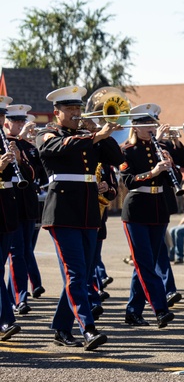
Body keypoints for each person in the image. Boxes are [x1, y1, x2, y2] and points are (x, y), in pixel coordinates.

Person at [36, 85, 125, 350]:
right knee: (75, 272)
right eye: (71, 109)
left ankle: (61, 327)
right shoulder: (47, 133)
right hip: (62, 210)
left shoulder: (89, 135)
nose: (76, 113)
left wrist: (103, 132)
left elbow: (117, 157)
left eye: (78, 108)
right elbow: (58, 149)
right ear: (57, 112)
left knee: (83, 274)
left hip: (87, 210)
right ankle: (87, 328)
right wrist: (94, 136)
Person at [118, 103, 179, 328]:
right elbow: (129, 181)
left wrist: (170, 165)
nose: (151, 126)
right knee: (144, 264)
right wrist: (153, 172)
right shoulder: (126, 151)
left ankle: (133, 311)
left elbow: (176, 182)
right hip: (136, 209)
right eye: (145, 123)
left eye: (153, 122)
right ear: (135, 125)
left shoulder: (161, 148)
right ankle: (161, 309)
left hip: (158, 208)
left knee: (146, 264)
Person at [4, 103, 45, 314]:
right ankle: (19, 297)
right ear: (6, 123)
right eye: (16, 121)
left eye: (22, 120)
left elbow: (39, 175)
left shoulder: (28, 147)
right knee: (17, 253)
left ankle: (18, 294)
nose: (20, 124)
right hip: (10, 205)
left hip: (28, 205)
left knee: (25, 251)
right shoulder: (4, 143)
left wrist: (22, 161)